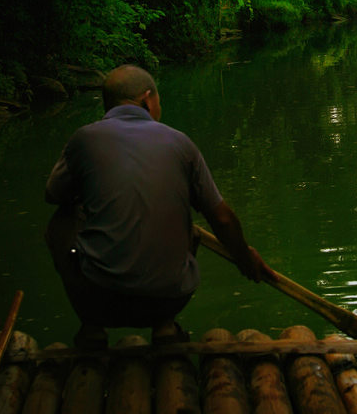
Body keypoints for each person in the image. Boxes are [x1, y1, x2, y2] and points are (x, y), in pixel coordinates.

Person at [45, 64, 271, 349]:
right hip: (168, 299)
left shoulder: (83, 139)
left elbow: (54, 194)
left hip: (99, 298)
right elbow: (222, 219)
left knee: (61, 220)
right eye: (159, 101)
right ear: (147, 99)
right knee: (190, 230)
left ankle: (92, 328)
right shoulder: (181, 143)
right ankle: (165, 326)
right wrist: (243, 257)